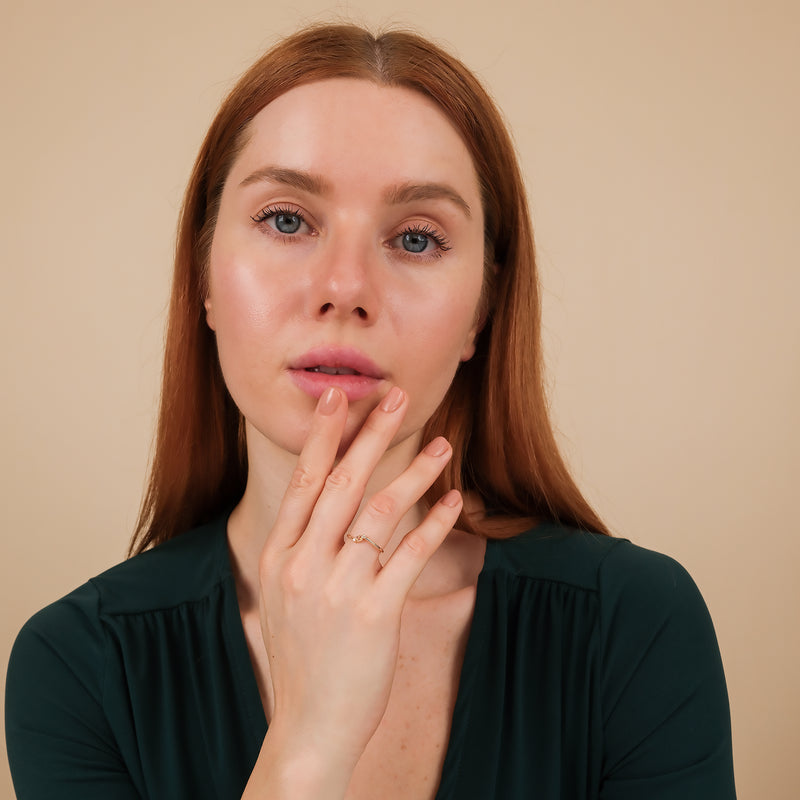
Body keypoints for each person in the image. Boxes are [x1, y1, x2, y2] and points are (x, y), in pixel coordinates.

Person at [5, 22, 736, 800]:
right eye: (286, 220)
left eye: (417, 239)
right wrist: (309, 744)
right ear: (204, 280)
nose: (345, 287)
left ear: (480, 315)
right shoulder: (77, 665)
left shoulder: (633, 625)